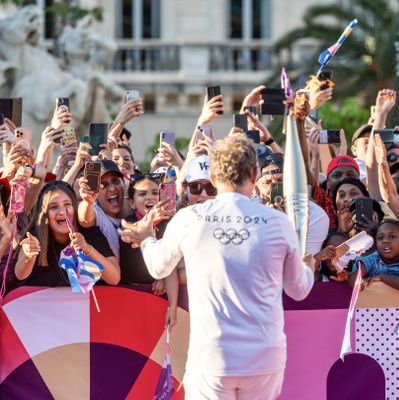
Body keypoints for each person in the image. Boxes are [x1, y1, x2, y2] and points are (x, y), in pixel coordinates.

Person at [120, 135, 315, 399]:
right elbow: (299, 289)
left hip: (212, 359)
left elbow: (157, 267)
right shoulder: (277, 221)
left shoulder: (189, 219)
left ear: (212, 176)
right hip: (262, 358)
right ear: (255, 173)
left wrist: (147, 240)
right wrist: (308, 267)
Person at [14, 181, 120, 286]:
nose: (62, 211)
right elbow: (20, 275)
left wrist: (87, 249)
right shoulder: (35, 235)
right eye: (54, 207)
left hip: (83, 301)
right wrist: (29, 255)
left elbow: (114, 278)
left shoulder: (90, 233)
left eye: (67, 204)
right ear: (44, 214)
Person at [119, 173, 179, 326]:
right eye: (142, 194)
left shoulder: (170, 225)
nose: (150, 197)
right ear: (132, 203)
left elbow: (170, 267)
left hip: (160, 299)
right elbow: (137, 231)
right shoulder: (128, 223)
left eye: (155, 192)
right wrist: (151, 217)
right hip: (129, 299)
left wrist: (172, 306)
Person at [348, 220, 399, 292]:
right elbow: (353, 279)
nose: (385, 240)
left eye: (392, 236)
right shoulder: (372, 261)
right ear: (376, 245)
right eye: (380, 238)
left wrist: (381, 278)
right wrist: (360, 283)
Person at [78, 160, 128, 260]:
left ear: (124, 185)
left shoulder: (134, 206)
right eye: (104, 185)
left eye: (115, 181)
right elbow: (84, 220)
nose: (112, 188)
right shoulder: (99, 214)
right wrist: (87, 202)